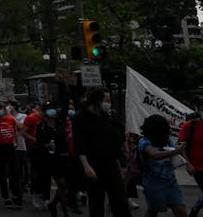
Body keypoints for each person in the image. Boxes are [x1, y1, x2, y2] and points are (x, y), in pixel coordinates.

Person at [73, 87, 131, 217]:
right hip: (93, 165)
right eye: (107, 100)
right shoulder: (80, 118)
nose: (108, 103)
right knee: (96, 203)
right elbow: (79, 144)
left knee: (120, 201)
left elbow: (116, 139)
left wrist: (122, 163)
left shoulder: (107, 117)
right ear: (97, 101)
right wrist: (86, 166)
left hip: (110, 164)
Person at [139, 114, 188, 217]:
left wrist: (189, 164)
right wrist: (176, 151)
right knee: (153, 211)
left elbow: (177, 150)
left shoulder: (166, 140)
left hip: (171, 182)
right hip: (153, 184)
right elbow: (154, 155)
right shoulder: (144, 141)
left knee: (181, 210)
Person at [36, 104, 70, 217]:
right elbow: (39, 143)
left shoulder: (60, 123)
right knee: (61, 183)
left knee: (64, 186)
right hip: (50, 159)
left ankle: (54, 204)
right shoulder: (42, 126)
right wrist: (47, 146)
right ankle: (65, 212)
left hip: (63, 156)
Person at [0, 101, 23, 208]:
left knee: (15, 171)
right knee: (2, 172)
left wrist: (16, 141)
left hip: (10, 147)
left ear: (4, 109)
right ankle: (6, 197)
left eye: (1, 108)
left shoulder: (11, 119)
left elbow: (16, 130)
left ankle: (16, 194)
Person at [178, 97, 203, 217]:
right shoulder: (189, 126)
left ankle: (195, 210)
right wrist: (188, 163)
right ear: (198, 110)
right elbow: (180, 146)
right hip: (197, 167)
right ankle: (194, 211)